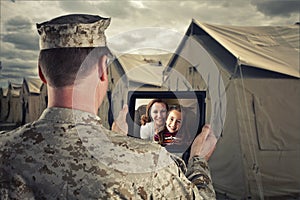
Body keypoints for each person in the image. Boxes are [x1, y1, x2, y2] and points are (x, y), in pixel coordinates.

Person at [0, 14, 217, 199]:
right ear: (103, 68)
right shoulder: (148, 162)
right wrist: (198, 160)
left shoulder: (4, 151)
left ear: (41, 72)